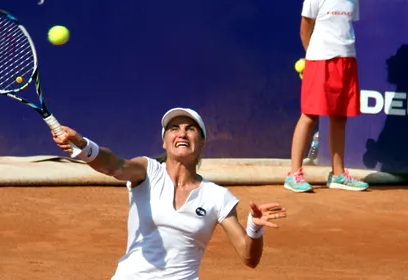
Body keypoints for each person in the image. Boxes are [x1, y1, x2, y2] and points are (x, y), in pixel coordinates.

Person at [52, 107, 287, 279]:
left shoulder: (218, 196)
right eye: (174, 129)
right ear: (165, 142)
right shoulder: (147, 171)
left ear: (202, 142)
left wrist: (255, 228)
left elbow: (249, 258)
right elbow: (115, 165)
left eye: (190, 129)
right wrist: (84, 146)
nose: (182, 133)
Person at [284, 0, 369, 193]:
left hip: (347, 60)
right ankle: (293, 174)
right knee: (310, 115)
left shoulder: (353, 1)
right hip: (320, 61)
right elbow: (305, 28)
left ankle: (338, 174)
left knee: (340, 117)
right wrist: (312, 57)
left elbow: (344, 28)